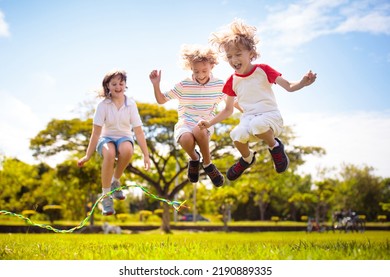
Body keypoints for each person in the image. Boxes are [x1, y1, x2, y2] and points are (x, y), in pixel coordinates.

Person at [198, 19, 317, 181]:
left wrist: (303, 82)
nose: (234, 60)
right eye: (230, 56)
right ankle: (247, 159)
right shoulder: (231, 81)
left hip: (270, 117)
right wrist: (209, 123)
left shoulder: (263, 70)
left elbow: (289, 86)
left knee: (258, 124)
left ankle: (275, 147)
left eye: (238, 54)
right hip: (249, 120)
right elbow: (228, 109)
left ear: (251, 54)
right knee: (236, 134)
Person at [149, 44, 226, 187]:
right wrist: (156, 84)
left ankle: (208, 164)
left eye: (204, 70)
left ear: (212, 66)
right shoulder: (184, 85)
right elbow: (161, 100)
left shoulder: (220, 85)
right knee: (185, 138)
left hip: (206, 122)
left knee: (199, 129)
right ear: (191, 68)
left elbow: (232, 103)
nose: (201, 75)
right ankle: (195, 158)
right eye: (196, 71)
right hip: (186, 121)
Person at [78, 69, 150, 215]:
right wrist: (87, 156)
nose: (118, 87)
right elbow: (96, 132)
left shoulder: (131, 105)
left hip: (124, 137)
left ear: (125, 85)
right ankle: (106, 197)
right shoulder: (103, 105)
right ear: (108, 86)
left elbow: (138, 131)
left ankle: (115, 181)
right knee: (109, 153)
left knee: (127, 150)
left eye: (121, 83)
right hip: (106, 138)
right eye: (114, 84)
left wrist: (146, 155)